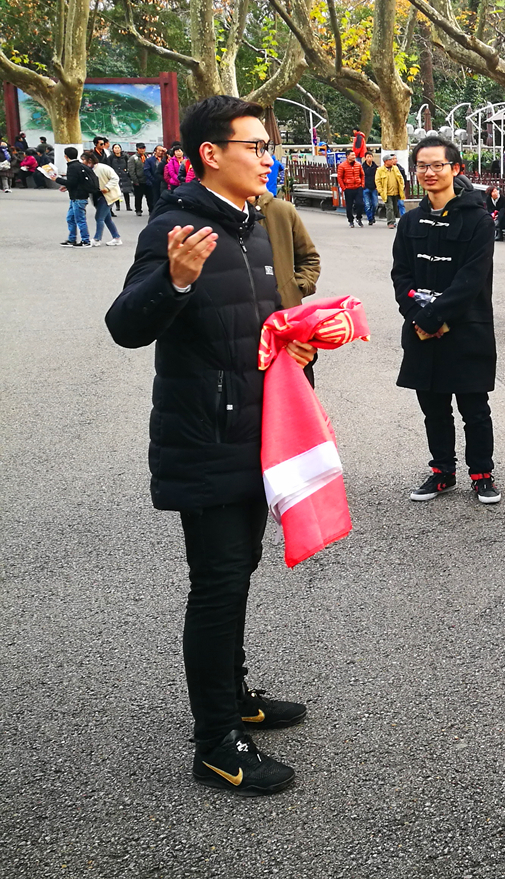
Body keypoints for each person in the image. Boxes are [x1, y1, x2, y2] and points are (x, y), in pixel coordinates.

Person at [105, 95, 313, 795]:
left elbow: (258, 324)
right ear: (210, 154)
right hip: (206, 436)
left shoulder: (252, 223)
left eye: (267, 146)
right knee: (218, 585)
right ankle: (217, 742)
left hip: (258, 433)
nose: (267, 158)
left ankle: (235, 693)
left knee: (238, 571)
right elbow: (125, 326)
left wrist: (303, 343)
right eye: (255, 146)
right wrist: (174, 280)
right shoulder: (176, 228)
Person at [393, 135, 501, 506]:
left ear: (455, 169)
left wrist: (436, 316)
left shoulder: (479, 221)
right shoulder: (409, 221)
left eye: (437, 165)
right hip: (421, 332)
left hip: (466, 328)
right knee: (433, 409)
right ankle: (442, 471)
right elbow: (401, 275)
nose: (429, 172)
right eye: (422, 165)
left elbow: (472, 278)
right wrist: (418, 317)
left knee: (475, 409)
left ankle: (482, 473)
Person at [59, 146, 98, 247]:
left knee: (80, 219)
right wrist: (67, 187)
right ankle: (72, 239)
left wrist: (57, 179)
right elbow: (77, 182)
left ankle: (85, 240)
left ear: (66, 156)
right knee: (70, 218)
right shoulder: (79, 165)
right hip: (76, 197)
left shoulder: (72, 167)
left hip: (78, 197)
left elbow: (71, 182)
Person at [86, 150, 124, 246]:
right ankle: (116, 237)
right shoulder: (89, 170)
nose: (82, 162)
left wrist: (107, 188)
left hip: (108, 195)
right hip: (98, 196)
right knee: (107, 218)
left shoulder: (103, 168)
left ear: (89, 160)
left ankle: (97, 239)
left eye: (83, 160)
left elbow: (115, 178)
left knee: (99, 217)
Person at [376, 152, 406, 228]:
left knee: (395, 208)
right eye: (390, 160)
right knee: (389, 208)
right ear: (386, 161)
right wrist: (381, 191)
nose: (392, 161)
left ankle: (393, 220)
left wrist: (402, 186)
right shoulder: (380, 170)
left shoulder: (395, 168)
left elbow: (400, 178)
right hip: (386, 192)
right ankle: (390, 222)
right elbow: (378, 181)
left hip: (396, 192)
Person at [336, 153, 367, 228]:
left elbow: (362, 175)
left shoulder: (358, 165)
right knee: (349, 205)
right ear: (347, 156)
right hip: (348, 188)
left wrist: (362, 184)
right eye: (352, 155)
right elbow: (339, 177)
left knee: (360, 203)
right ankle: (350, 220)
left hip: (358, 187)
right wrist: (344, 188)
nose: (354, 157)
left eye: (354, 155)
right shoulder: (342, 166)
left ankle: (359, 217)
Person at [127, 143, 149, 214]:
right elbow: (131, 170)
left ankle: (151, 209)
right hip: (138, 180)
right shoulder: (133, 158)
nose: (142, 150)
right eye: (140, 148)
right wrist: (135, 180)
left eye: (143, 148)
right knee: (138, 197)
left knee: (149, 197)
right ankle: (138, 210)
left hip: (147, 180)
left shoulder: (147, 156)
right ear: (137, 149)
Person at [362, 155, 380, 224]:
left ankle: (372, 215)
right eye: (368, 157)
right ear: (365, 158)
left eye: (370, 157)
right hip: (365, 188)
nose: (369, 158)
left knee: (375, 204)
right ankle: (370, 218)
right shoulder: (362, 167)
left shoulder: (376, 167)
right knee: (367, 205)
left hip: (374, 188)